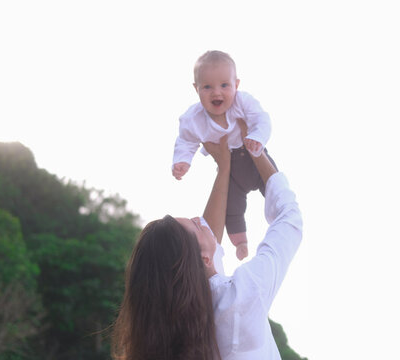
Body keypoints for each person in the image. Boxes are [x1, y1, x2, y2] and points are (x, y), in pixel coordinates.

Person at [112, 129, 303, 359]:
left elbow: (206, 240)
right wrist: (256, 150)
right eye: (195, 224)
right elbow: (289, 219)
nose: (201, 221)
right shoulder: (243, 294)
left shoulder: (184, 323)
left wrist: (224, 167)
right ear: (203, 258)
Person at [171, 50, 277, 261]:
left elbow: (261, 119)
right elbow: (186, 140)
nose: (216, 92)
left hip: (252, 154)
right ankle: (240, 241)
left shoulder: (243, 102)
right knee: (232, 207)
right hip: (230, 171)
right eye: (207, 87)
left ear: (236, 85)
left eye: (224, 85)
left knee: (274, 185)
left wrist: (256, 137)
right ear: (196, 89)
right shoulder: (193, 118)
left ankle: (280, 218)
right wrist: (182, 160)